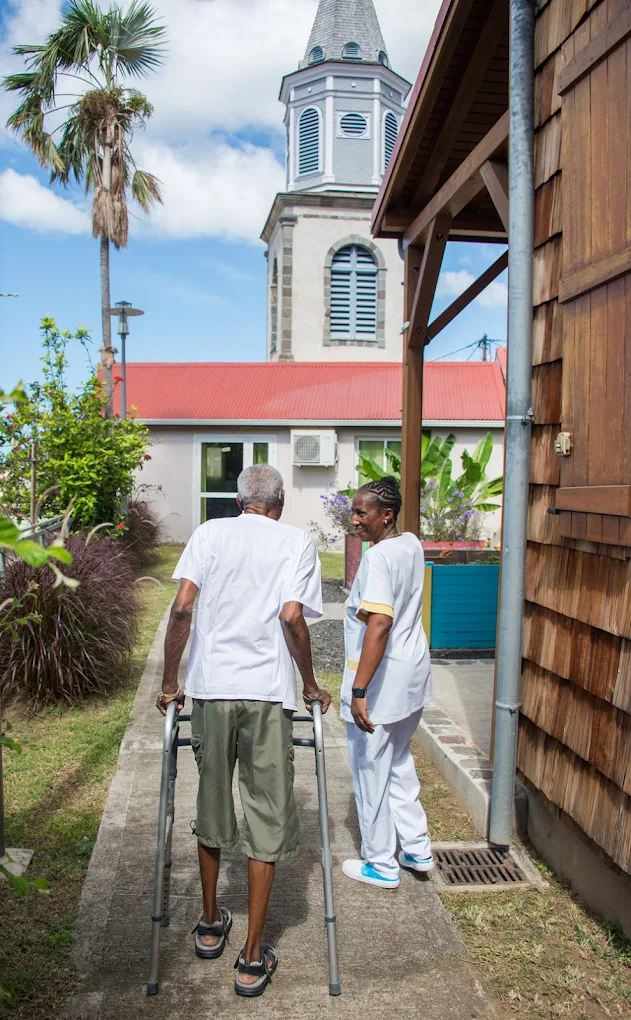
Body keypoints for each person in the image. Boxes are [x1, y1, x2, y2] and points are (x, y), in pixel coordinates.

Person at [156, 464, 331, 997]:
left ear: (240, 501)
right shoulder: (297, 542)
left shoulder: (209, 533)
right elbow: (291, 617)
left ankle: (210, 924)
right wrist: (310, 683)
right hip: (266, 693)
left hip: (211, 689)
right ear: (277, 504)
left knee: (212, 803)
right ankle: (252, 956)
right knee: (266, 815)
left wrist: (170, 683)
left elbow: (183, 607)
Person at [340, 476, 433, 890]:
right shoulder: (410, 544)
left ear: (387, 515)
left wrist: (359, 691)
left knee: (370, 769)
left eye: (363, 513)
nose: (355, 519)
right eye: (354, 511)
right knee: (397, 760)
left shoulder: (377, 560)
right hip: (411, 675)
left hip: (381, 680)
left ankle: (381, 863)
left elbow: (379, 622)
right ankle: (416, 847)